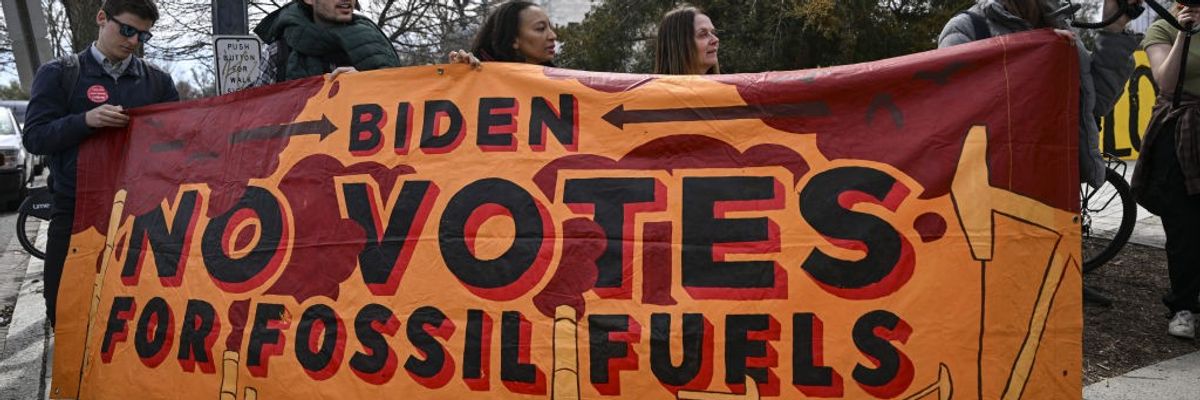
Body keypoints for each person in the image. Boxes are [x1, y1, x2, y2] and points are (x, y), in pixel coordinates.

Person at [22, 0, 179, 328]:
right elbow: (35, 138)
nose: (134, 42)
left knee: (138, 316)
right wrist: (85, 121)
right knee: (66, 310)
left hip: (140, 215)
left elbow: (176, 145)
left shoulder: (158, 82)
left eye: (143, 36)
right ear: (101, 18)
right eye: (127, 30)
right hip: (76, 211)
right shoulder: (59, 74)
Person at [938, 0, 1140, 190]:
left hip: (1058, 182)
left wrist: (1114, 27)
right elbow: (953, 117)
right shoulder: (965, 29)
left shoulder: (1060, 26)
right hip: (994, 191)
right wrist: (1037, 51)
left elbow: (1098, 101)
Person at [1133, 3, 1200, 339]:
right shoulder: (1164, 28)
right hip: (1181, 132)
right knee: (1183, 224)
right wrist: (1183, 34)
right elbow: (1166, 83)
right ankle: (1184, 307)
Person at [253, 0, 401, 85]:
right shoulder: (278, 52)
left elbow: (401, 103)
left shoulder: (377, 46)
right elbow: (257, 115)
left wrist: (365, 85)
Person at [453, 1, 557, 65]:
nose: (553, 36)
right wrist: (459, 77)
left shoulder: (563, 84)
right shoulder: (477, 78)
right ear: (513, 39)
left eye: (550, 28)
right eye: (540, 28)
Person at [654, 4, 720, 75]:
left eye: (713, 32)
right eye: (703, 34)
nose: (715, 40)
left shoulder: (728, 85)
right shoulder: (651, 86)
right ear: (679, 45)